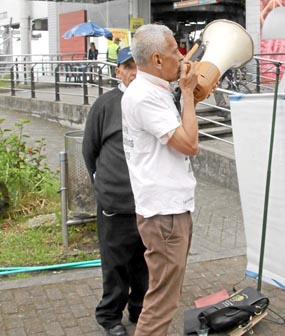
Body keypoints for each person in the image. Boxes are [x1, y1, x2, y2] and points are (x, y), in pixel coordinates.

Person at [121, 24, 198, 336]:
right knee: (162, 302)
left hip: (167, 209)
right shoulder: (146, 97)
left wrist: (190, 95)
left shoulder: (151, 90)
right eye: (173, 53)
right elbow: (189, 144)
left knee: (166, 294)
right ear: (155, 60)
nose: (180, 57)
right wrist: (190, 94)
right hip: (165, 212)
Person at [82, 47, 148, 336]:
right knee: (115, 264)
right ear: (117, 71)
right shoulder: (106, 104)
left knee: (143, 262)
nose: (134, 72)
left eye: (138, 66)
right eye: (128, 66)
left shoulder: (152, 101)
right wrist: (105, 185)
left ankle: (139, 308)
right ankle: (110, 317)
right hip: (115, 199)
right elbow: (90, 151)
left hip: (147, 200)